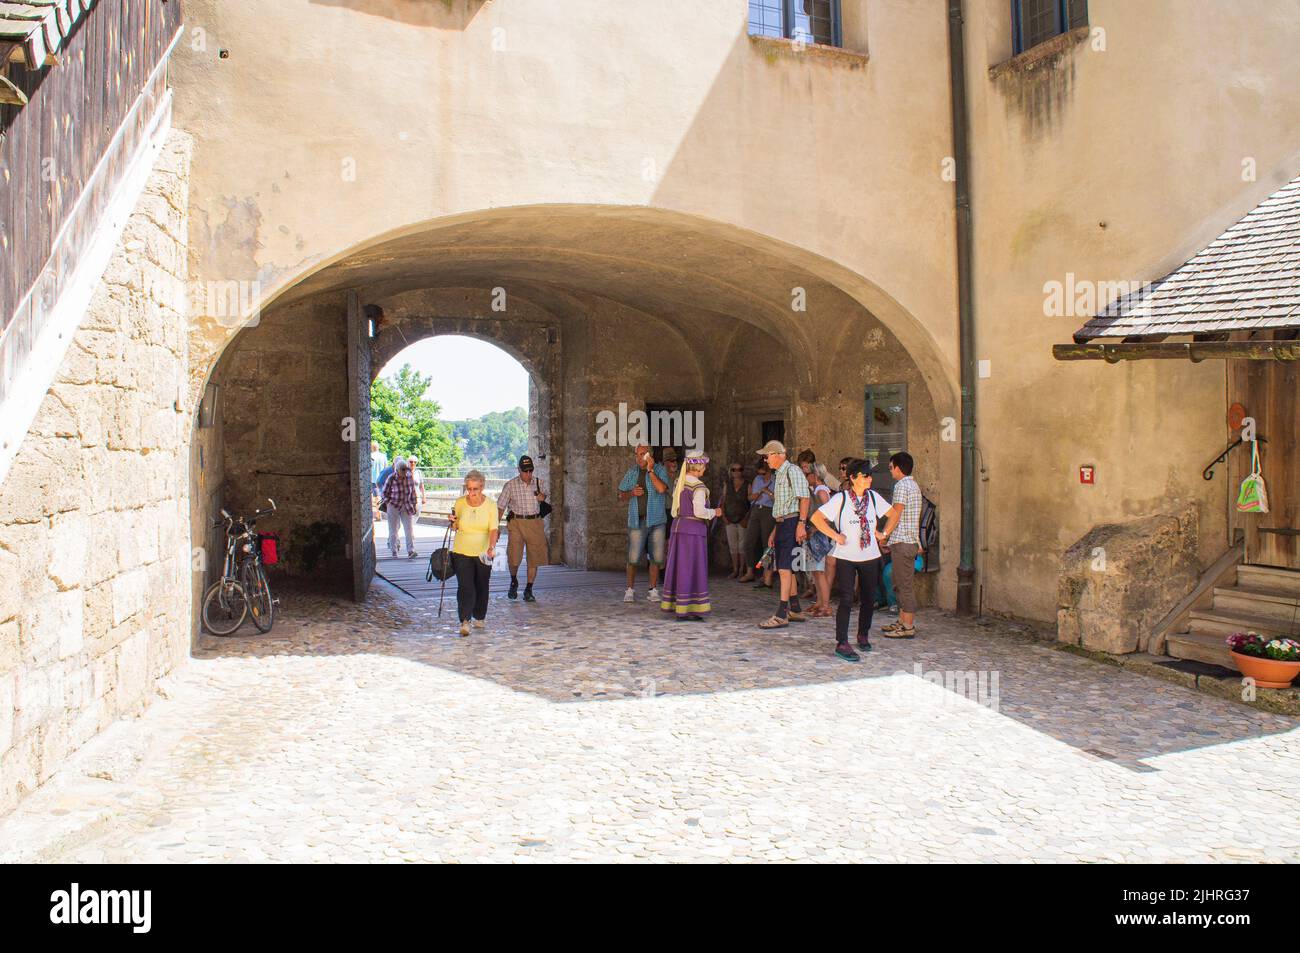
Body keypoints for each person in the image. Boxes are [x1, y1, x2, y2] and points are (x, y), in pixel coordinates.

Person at [811, 458, 891, 662]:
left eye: (870, 475)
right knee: (846, 599)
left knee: (867, 598)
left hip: (870, 555)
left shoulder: (873, 497)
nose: (870, 479)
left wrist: (884, 533)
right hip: (846, 556)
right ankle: (841, 642)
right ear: (854, 478)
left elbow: (894, 513)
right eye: (866, 476)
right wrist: (835, 535)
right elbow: (817, 519)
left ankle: (863, 635)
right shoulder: (841, 499)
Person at [660, 454, 722, 620]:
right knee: (693, 567)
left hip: (678, 528)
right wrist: (714, 512)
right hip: (692, 531)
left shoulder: (679, 482)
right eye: (704, 466)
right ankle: (691, 607)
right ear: (699, 467)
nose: (705, 468)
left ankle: (680, 606)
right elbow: (699, 512)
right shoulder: (699, 487)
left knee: (680, 567)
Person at [756, 440, 810, 629]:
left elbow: (804, 498)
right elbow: (782, 507)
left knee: (785, 569)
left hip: (792, 523)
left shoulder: (792, 471)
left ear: (778, 455)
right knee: (788, 567)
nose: (765, 459)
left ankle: (781, 614)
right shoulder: (780, 474)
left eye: (767, 455)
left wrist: (801, 524)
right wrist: (775, 530)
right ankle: (794, 608)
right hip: (783, 523)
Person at [449, 469, 500, 638]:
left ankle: (479, 615)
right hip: (461, 550)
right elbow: (455, 528)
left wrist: (491, 547)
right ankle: (465, 620)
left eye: (475, 489)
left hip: (484, 552)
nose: (471, 493)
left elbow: (493, 529)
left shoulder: (491, 505)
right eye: (468, 489)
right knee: (465, 586)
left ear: (482, 487)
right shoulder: (459, 503)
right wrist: (453, 523)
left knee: (481, 585)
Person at [617, 443, 670, 603]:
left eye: (643, 454)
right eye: (637, 454)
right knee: (632, 558)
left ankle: (653, 589)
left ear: (649, 456)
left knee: (656, 557)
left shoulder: (660, 470)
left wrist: (650, 470)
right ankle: (630, 590)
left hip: (657, 521)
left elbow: (661, 489)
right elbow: (620, 495)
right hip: (637, 521)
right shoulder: (632, 472)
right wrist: (631, 493)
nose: (639, 458)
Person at [879, 451, 923, 639]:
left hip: (903, 542)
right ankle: (902, 620)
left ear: (898, 467)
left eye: (890, 467)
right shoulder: (913, 485)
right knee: (898, 583)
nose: (890, 471)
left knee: (904, 585)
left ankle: (908, 625)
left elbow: (896, 513)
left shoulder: (901, 486)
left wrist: (884, 535)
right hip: (905, 541)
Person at [497, 454, 548, 602]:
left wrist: (542, 497)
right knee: (514, 557)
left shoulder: (540, 482)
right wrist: (495, 527)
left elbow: (547, 497)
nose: (528, 474)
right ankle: (513, 580)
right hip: (517, 522)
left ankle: (529, 589)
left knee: (534, 557)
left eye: (531, 470)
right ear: (519, 469)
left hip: (534, 522)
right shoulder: (510, 485)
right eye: (525, 471)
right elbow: (500, 507)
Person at [798, 453, 834, 617]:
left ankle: (825, 605)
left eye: (808, 474)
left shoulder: (821, 491)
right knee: (815, 571)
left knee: (820, 572)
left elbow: (827, 515)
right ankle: (820, 602)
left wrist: (813, 529)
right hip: (814, 533)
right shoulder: (815, 490)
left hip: (819, 535)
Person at [738, 459, 775, 585]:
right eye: (759, 473)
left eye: (764, 473)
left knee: (767, 544)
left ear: (769, 471)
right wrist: (758, 493)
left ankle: (766, 574)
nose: (761, 476)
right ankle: (750, 572)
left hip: (769, 511)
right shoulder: (757, 480)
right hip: (756, 510)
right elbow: (750, 497)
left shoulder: (776, 480)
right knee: (749, 541)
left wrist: (768, 493)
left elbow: (778, 500)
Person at [380, 457, 419, 558]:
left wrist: (414, 504)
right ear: (397, 470)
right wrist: (388, 502)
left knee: (409, 529)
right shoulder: (391, 478)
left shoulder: (409, 476)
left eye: (405, 469)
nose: (404, 472)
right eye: (402, 470)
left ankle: (411, 551)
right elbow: (384, 493)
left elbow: (413, 491)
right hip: (394, 506)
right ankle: (394, 550)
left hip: (406, 505)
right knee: (393, 529)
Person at [720, 461, 751, 578]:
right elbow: (723, 501)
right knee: (733, 546)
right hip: (729, 518)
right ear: (730, 471)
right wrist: (723, 517)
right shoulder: (727, 484)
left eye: (739, 469)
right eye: (734, 469)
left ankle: (742, 569)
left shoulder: (747, 484)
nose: (737, 472)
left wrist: (746, 518)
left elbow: (751, 503)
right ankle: (735, 569)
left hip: (742, 519)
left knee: (742, 546)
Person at [370, 441, 388, 521]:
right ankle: (378, 514)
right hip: (381, 479)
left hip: (372, 480)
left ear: (371, 447)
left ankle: (376, 515)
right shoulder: (383, 456)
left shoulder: (370, 456)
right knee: (379, 497)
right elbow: (386, 468)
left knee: (373, 498)